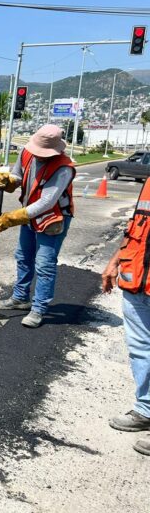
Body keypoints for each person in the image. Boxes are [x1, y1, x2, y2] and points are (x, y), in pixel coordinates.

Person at [0, 124, 76, 329]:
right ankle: (20, 298)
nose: (39, 155)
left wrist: (12, 218)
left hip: (53, 218)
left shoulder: (64, 168)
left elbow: (46, 202)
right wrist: (9, 182)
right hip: (29, 214)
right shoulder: (27, 152)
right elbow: (19, 177)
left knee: (44, 264)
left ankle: (38, 308)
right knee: (23, 256)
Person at [101, 180, 150, 456]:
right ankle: (145, 409)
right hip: (137, 283)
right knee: (141, 351)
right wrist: (114, 261)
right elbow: (136, 229)